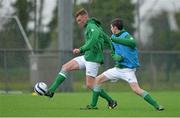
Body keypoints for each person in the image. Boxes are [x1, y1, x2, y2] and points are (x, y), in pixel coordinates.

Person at [45, 8, 119, 109]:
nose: (78, 23)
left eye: (80, 20)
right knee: (65, 67)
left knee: (90, 85)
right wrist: (112, 47)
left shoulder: (91, 26)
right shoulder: (92, 26)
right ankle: (51, 91)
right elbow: (106, 38)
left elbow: (94, 38)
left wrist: (81, 49)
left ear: (85, 17)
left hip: (93, 59)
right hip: (87, 56)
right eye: (77, 21)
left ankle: (110, 101)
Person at [84, 18, 164, 111]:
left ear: (115, 27)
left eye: (111, 27)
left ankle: (157, 105)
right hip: (117, 69)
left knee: (136, 89)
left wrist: (116, 39)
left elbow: (132, 43)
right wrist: (115, 57)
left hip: (128, 70)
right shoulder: (113, 37)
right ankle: (93, 105)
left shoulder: (126, 35)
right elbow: (113, 52)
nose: (110, 29)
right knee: (97, 80)